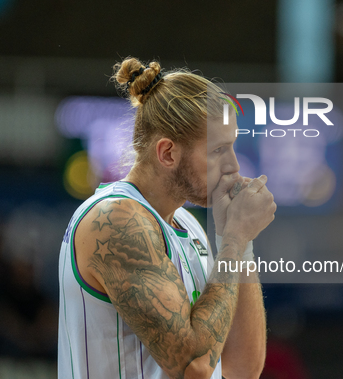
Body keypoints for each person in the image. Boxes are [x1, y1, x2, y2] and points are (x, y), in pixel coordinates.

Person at [58, 57, 276, 379]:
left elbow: (243, 368)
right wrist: (234, 240)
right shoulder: (115, 220)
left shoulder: (188, 225)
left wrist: (239, 246)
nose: (233, 166)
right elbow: (193, 366)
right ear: (168, 153)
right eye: (218, 150)